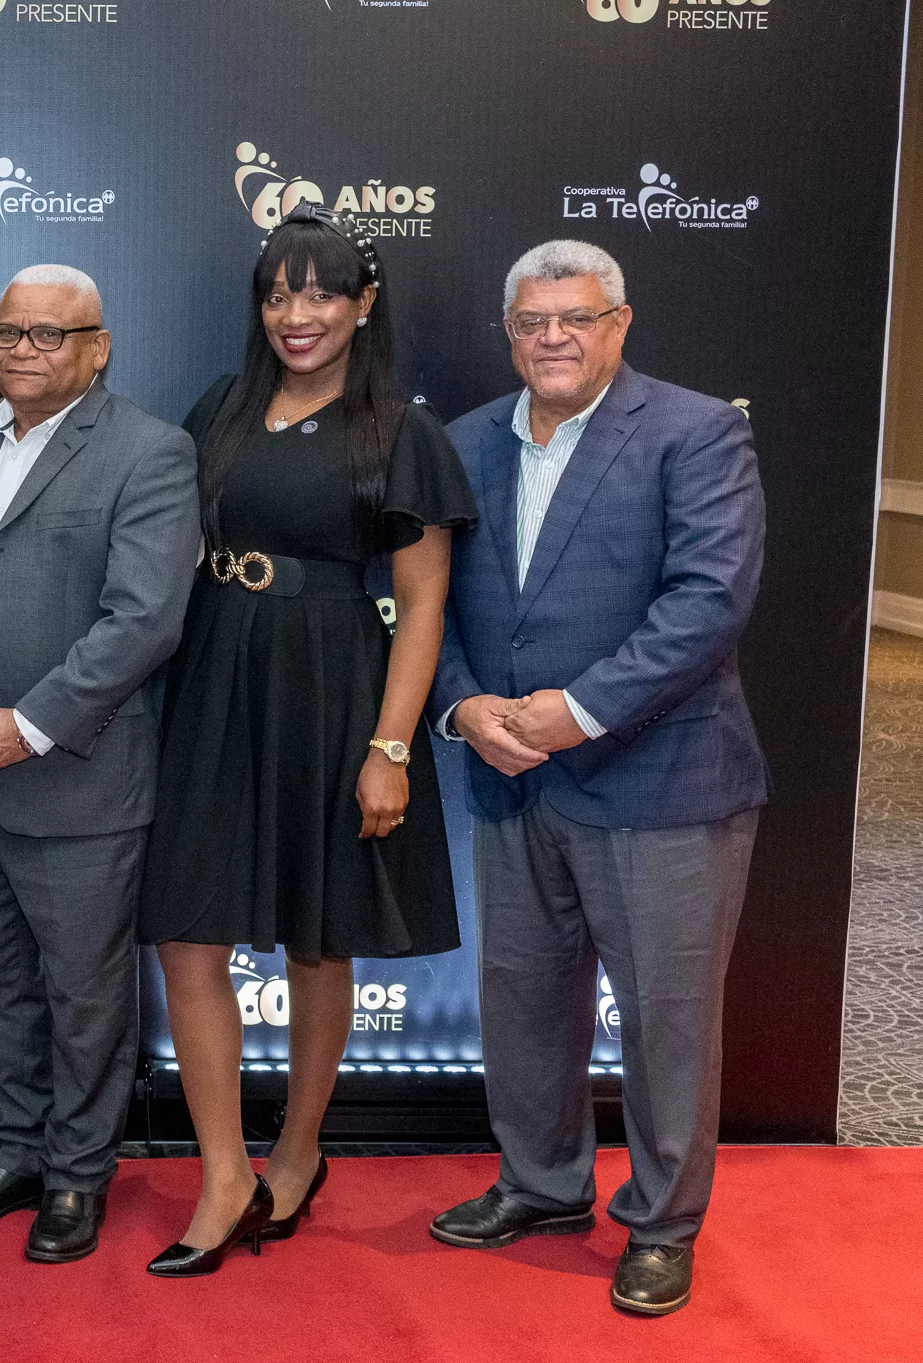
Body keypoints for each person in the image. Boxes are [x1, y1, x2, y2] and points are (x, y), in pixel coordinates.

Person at [426, 240, 767, 1317]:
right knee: (523, 1001)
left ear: (618, 324)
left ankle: (661, 1224)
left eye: (576, 317)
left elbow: (707, 600)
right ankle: (539, 1185)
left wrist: (573, 712)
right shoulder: (462, 441)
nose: (554, 338)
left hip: (660, 782)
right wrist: (463, 706)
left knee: (666, 1022)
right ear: (508, 332)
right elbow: (423, 602)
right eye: (532, 321)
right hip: (509, 776)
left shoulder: (694, 431)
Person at [138, 206, 478, 1277]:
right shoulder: (219, 407)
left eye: (323, 292)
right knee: (186, 933)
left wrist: (390, 748)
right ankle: (221, 1172)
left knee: (316, 933)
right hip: (211, 674)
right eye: (279, 293)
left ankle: (296, 1149)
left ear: (363, 304)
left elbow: (421, 607)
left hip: (331, 686)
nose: (298, 313)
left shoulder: (402, 434)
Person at [0, 264, 199, 1264]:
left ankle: (77, 1174)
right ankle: (17, 1151)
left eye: (48, 334)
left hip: (73, 774)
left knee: (83, 995)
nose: (22, 350)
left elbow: (142, 620)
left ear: (97, 348)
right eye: (8, 332)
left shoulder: (148, 451)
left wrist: (26, 727)